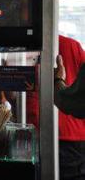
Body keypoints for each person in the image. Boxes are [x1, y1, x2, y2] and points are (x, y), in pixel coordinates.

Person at [53, 35, 85, 180]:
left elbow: (71, 101)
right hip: (73, 136)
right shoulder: (73, 45)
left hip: (64, 135)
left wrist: (59, 80)